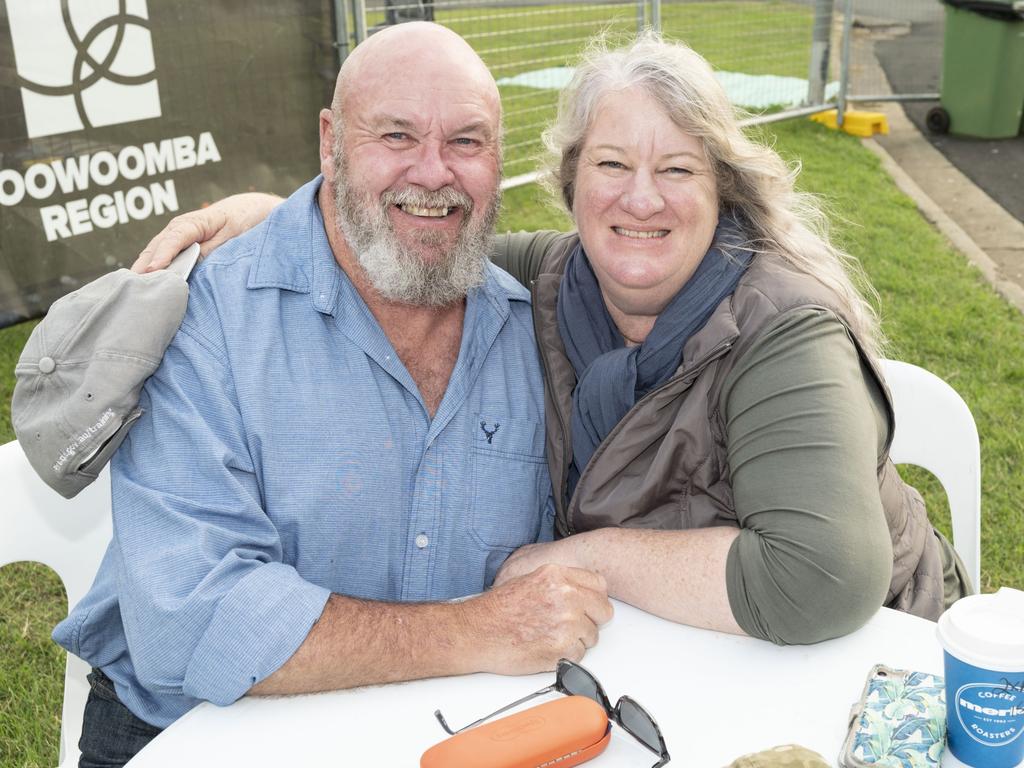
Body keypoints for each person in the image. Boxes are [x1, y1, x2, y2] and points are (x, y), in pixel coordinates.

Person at [136, 32, 972, 648]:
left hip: (876, 664)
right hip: (683, 657)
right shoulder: (552, 278)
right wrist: (285, 215)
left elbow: (823, 581)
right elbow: (411, 232)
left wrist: (577, 555)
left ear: (722, 190)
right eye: (612, 165)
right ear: (570, 184)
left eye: (678, 170)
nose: (641, 200)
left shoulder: (781, 328)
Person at [47, 23, 613, 768]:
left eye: (468, 142)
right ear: (330, 142)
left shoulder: (530, 333)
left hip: (437, 726)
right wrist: (477, 630)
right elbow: (191, 622)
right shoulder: (208, 318)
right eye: (397, 135)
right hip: (190, 736)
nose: (435, 172)